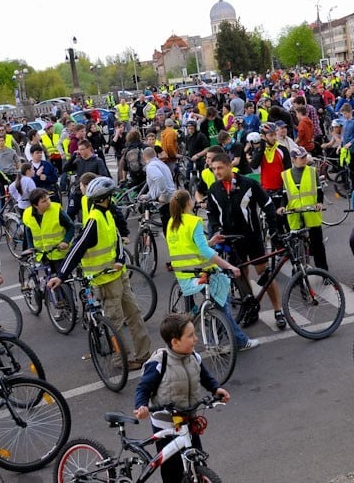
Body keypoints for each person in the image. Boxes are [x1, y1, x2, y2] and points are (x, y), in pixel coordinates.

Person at [50, 177, 152, 370]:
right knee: (116, 323)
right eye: (111, 196)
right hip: (104, 280)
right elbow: (77, 249)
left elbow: (116, 241)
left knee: (134, 314)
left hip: (117, 275)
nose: (113, 198)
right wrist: (61, 275)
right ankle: (120, 359)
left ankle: (144, 354)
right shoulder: (94, 220)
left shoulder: (107, 215)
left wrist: (120, 260)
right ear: (105, 198)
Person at [133, 313, 232, 483]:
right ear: (175, 342)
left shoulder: (194, 357)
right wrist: (141, 406)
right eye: (190, 335)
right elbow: (143, 388)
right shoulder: (159, 363)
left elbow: (205, 377)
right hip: (166, 425)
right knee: (172, 469)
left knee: (196, 460)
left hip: (188, 420)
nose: (196, 338)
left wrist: (216, 389)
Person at [164, 191, 255, 353]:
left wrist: (210, 241)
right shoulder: (194, 222)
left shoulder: (172, 222)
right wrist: (228, 266)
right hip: (203, 272)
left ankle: (217, 337)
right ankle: (237, 341)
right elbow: (204, 252)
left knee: (218, 304)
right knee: (222, 303)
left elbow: (189, 246)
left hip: (184, 274)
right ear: (189, 203)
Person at [205, 153, 285, 329]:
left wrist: (274, 231)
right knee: (240, 275)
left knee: (264, 272)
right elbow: (211, 215)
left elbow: (268, 205)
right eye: (213, 169)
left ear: (229, 166)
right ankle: (251, 308)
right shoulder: (214, 189)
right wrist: (217, 229)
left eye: (219, 168)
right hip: (231, 240)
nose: (216, 172)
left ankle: (278, 310)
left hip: (252, 237)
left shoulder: (248, 184)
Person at [279, 146, 328, 270]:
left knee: (317, 245)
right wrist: (282, 207)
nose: (304, 159)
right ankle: (296, 273)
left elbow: (319, 190)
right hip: (294, 214)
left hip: (311, 212)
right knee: (295, 246)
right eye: (301, 158)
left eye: (305, 157)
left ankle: (323, 271)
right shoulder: (286, 175)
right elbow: (285, 195)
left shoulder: (312, 171)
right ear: (293, 160)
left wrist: (319, 203)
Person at [22, 188, 74, 275]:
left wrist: (66, 241)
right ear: (35, 205)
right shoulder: (28, 214)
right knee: (49, 278)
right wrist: (31, 247)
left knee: (63, 279)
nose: (48, 202)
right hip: (43, 254)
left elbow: (71, 227)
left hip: (59, 253)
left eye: (48, 198)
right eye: (44, 201)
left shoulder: (57, 211)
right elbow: (28, 231)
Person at [68, 139, 112, 221]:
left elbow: (104, 176)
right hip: (78, 190)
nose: (80, 152)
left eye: (82, 149)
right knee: (70, 212)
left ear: (89, 148)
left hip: (91, 192)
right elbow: (65, 168)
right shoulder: (78, 160)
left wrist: (92, 180)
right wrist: (73, 157)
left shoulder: (98, 161)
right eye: (79, 149)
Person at [142, 147, 176, 230]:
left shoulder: (151, 166)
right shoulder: (160, 163)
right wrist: (148, 196)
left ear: (144, 156)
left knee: (167, 226)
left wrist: (163, 194)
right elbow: (155, 185)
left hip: (165, 199)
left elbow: (159, 178)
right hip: (171, 195)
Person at [339, 104, 354, 187]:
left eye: (345, 113)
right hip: (346, 149)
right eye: (343, 114)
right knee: (349, 169)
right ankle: (352, 185)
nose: (344, 116)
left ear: (349, 112)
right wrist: (341, 145)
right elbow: (344, 135)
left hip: (353, 150)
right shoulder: (345, 122)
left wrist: (350, 143)